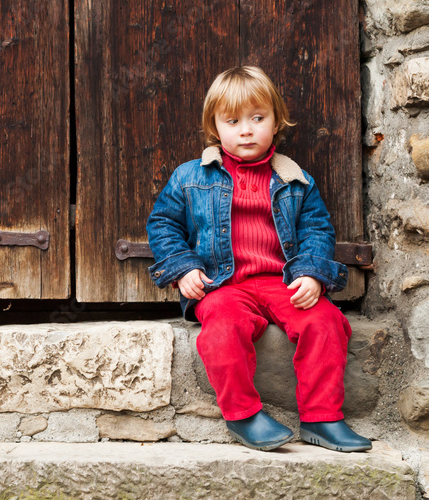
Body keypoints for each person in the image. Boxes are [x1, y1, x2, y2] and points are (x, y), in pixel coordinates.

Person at [146, 65, 370, 453]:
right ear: (215, 128)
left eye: (257, 118)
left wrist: (312, 275)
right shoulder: (190, 176)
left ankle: (322, 418)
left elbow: (317, 230)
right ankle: (244, 416)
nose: (245, 130)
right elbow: (163, 224)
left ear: (276, 122)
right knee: (223, 328)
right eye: (232, 121)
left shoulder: (295, 179)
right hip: (223, 285)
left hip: (282, 282)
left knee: (325, 320)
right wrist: (183, 269)